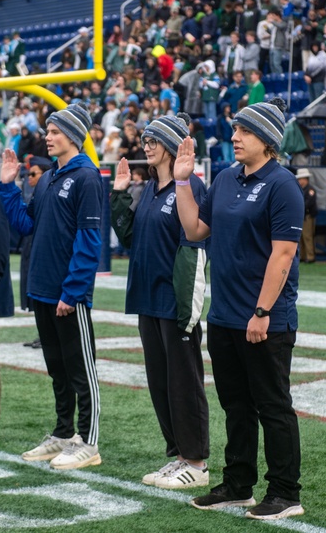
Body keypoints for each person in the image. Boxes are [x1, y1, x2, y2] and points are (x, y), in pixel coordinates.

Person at [174, 98, 305, 521]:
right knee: (236, 405)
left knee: (273, 405)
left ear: (267, 139)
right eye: (234, 130)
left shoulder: (283, 185)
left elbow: (282, 255)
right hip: (226, 315)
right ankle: (238, 485)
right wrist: (181, 181)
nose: (234, 137)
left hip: (265, 319)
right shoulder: (228, 178)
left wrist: (262, 312)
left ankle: (285, 493)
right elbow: (195, 229)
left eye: (244, 132)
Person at [109, 114, 211, 490]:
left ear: (170, 145)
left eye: (154, 140)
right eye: (146, 140)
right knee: (160, 383)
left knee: (184, 382)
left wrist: (188, 307)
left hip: (174, 303)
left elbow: (194, 249)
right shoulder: (150, 189)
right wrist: (120, 194)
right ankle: (180, 456)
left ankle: (197, 462)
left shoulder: (190, 188)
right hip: (147, 299)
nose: (146, 145)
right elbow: (132, 239)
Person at [0, 104, 104, 470]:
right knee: (57, 368)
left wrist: (72, 291)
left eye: (56, 131)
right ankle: (63, 433)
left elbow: (90, 240)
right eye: (48, 130)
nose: (48, 135)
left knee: (80, 368)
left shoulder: (88, 177)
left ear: (74, 136)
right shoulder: (48, 177)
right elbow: (26, 225)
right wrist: (8, 186)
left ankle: (88, 441)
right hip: (43, 290)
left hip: (66, 294)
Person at [18, 156, 53, 350]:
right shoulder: (35, 194)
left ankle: (46, 335)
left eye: (33, 174)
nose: (29, 178)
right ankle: (43, 334)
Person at [296, 168, 317, 263]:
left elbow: (308, 203)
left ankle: (310, 256)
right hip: (301, 216)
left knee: (307, 236)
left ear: (306, 179)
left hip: (307, 216)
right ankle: (303, 256)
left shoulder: (310, 190)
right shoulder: (300, 190)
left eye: (301, 179)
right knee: (300, 237)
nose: (300, 181)